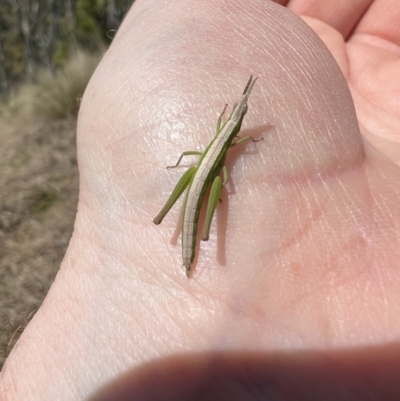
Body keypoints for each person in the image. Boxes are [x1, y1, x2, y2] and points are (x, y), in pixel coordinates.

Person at [1, 0, 400, 399]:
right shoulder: (233, 138)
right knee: (210, 185)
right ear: (233, 125)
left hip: (203, 167)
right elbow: (224, 159)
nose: (241, 124)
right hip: (203, 170)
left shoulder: (231, 133)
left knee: (208, 191)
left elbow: (226, 144)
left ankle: (191, 249)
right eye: (238, 120)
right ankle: (185, 246)